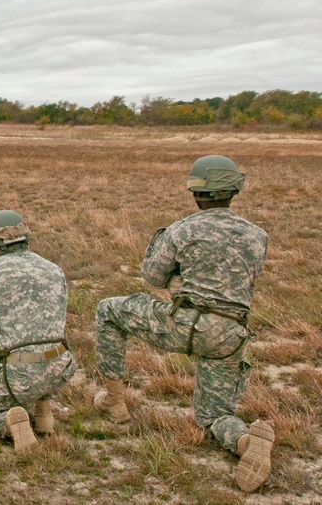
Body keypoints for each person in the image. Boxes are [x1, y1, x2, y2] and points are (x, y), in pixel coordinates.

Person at [93, 155, 274, 493]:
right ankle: (245, 441)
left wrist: (178, 282)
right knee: (212, 414)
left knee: (108, 311)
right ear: (235, 190)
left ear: (196, 193)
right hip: (229, 334)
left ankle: (114, 401)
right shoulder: (257, 236)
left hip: (183, 323)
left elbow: (152, 276)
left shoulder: (183, 229)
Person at [0, 211, 76, 455]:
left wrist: (0, 328)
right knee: (41, 347)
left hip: (20, 370)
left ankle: (11, 423)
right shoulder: (54, 269)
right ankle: (44, 417)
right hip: (62, 364)